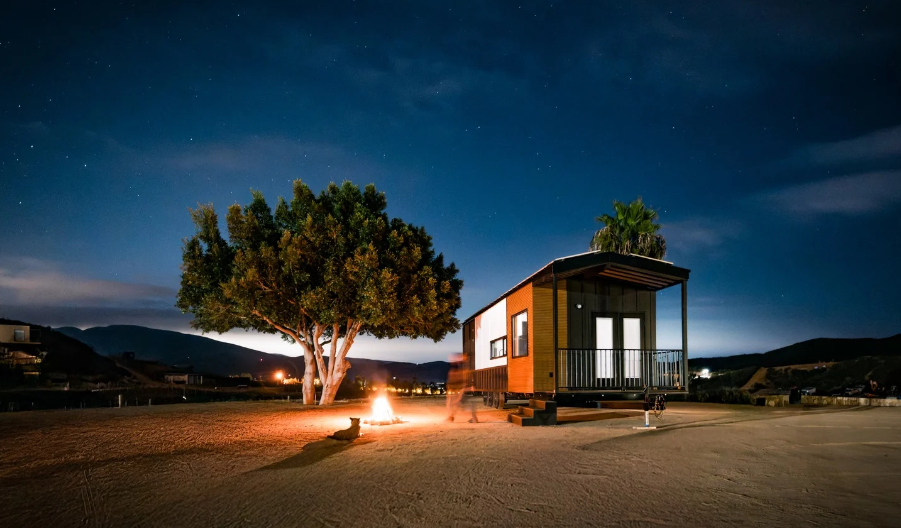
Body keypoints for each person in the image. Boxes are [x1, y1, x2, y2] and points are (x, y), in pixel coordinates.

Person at [446, 354, 478, 423]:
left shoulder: (455, 372)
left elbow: (453, 382)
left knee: (453, 404)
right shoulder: (463, 371)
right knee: (457, 404)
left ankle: (451, 417)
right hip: (461, 390)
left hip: (458, 390)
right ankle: (452, 417)